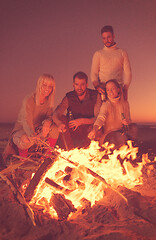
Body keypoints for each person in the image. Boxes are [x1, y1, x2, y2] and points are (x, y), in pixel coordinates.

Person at [3, 74, 59, 161]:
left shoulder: (49, 101)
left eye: (50, 86)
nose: (47, 89)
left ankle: (47, 157)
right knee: (26, 139)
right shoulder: (29, 99)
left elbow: (49, 117)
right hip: (24, 130)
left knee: (55, 129)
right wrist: (33, 135)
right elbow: (26, 122)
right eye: (44, 85)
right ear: (39, 84)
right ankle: (24, 160)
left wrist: (47, 123)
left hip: (37, 129)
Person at [53, 71, 102, 149]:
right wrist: (59, 123)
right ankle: (70, 150)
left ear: (86, 85)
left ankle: (87, 151)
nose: (79, 88)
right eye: (77, 84)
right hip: (73, 129)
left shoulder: (95, 95)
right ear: (73, 85)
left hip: (88, 129)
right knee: (62, 119)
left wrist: (81, 121)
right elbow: (56, 113)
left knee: (97, 130)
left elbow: (98, 118)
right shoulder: (69, 97)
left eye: (82, 84)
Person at [88, 79, 137, 147]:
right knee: (121, 138)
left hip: (121, 131)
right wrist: (95, 129)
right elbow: (101, 118)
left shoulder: (125, 103)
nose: (110, 91)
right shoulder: (106, 104)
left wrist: (127, 121)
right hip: (109, 134)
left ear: (118, 89)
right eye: (108, 90)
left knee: (134, 128)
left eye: (112, 89)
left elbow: (128, 119)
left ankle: (131, 150)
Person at [90, 25, 132, 100]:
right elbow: (94, 73)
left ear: (113, 36)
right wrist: (97, 86)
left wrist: (126, 88)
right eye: (104, 38)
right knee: (102, 111)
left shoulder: (122, 53)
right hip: (103, 91)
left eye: (108, 37)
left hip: (118, 91)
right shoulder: (98, 54)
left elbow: (128, 72)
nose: (106, 40)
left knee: (122, 112)